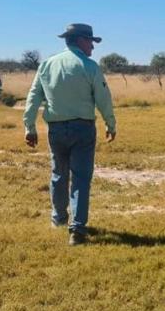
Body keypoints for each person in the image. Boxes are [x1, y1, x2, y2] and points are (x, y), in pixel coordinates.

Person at [23, 23, 116, 246]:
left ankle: (59, 219)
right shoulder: (89, 66)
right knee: (81, 178)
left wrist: (29, 126)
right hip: (83, 128)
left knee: (58, 174)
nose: (93, 47)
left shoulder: (46, 65)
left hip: (55, 129)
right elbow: (103, 98)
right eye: (91, 42)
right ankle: (78, 228)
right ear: (81, 40)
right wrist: (110, 123)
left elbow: (33, 97)